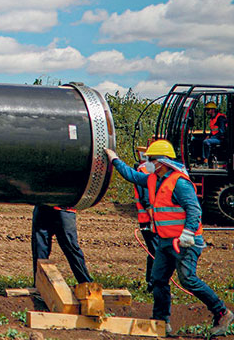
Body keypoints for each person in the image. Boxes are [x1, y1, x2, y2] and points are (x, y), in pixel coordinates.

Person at [107, 141, 233, 336]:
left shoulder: (180, 182)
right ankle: (161, 320)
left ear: (163, 162)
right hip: (166, 241)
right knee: (158, 279)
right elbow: (131, 175)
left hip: (185, 242)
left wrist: (188, 233)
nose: (148, 162)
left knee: (188, 279)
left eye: (151, 159)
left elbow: (194, 209)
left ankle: (222, 312)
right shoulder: (152, 179)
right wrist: (114, 159)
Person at [31, 205, 93, 284]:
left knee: (71, 248)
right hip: (43, 207)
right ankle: (39, 286)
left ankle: (87, 285)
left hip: (64, 208)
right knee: (39, 251)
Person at [132, 156, 157, 293]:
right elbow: (147, 200)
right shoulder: (146, 173)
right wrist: (154, 220)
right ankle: (153, 286)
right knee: (156, 252)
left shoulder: (147, 171)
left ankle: (152, 284)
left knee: (155, 251)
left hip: (149, 220)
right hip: (148, 220)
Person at [203, 102, 227, 166]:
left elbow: (222, 131)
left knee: (206, 142)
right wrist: (209, 136)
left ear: (213, 110)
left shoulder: (220, 118)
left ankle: (206, 160)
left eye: (208, 110)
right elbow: (214, 130)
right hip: (215, 137)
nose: (207, 111)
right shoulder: (212, 119)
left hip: (220, 139)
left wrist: (212, 137)